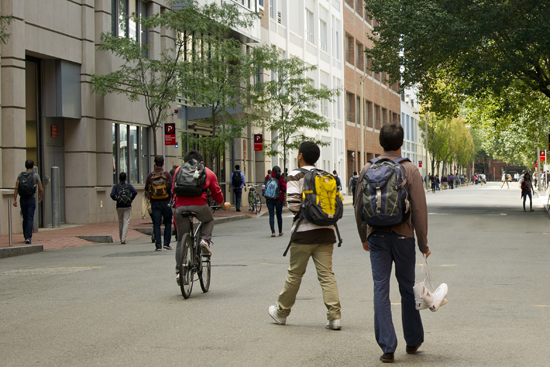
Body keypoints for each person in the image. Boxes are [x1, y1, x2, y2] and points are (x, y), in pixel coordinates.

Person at [354, 122, 430, 364]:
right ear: (402, 143)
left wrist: (364, 236)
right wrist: (423, 244)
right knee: (407, 288)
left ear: (380, 142)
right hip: (404, 236)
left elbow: (358, 207)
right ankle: (413, 340)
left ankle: (387, 347)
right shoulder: (409, 169)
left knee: (380, 288)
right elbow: (419, 210)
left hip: (376, 236)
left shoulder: (367, 168)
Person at [268, 141, 342, 330]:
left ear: (300, 155)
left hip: (303, 234)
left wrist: (306, 214)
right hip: (327, 232)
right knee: (327, 275)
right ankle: (334, 317)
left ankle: (282, 313)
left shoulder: (295, 174)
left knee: (295, 274)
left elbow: (293, 204)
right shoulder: (325, 176)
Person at [172, 150, 230, 279]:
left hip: (180, 207)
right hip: (199, 205)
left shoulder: (178, 171)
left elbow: (173, 190)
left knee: (181, 239)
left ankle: (179, 273)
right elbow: (216, 193)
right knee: (209, 220)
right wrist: (223, 205)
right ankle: (204, 240)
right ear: (201, 161)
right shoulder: (208, 172)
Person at [145, 155, 173, 251]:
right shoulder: (167, 175)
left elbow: (146, 189)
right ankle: (166, 243)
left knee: (156, 224)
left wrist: (151, 198)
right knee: (168, 222)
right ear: (163, 163)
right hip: (166, 202)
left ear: (154, 163)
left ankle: (158, 245)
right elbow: (171, 187)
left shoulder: (150, 176)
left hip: (155, 202)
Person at [13, 159, 43, 244]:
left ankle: (25, 235)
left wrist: (14, 199)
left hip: (22, 199)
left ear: (25, 166)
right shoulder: (35, 175)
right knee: (30, 218)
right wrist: (40, 196)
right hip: (31, 199)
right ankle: (28, 237)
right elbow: (40, 188)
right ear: (33, 166)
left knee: (25, 218)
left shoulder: (20, 175)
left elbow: (16, 187)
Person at [110, 172, 137, 244]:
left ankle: (120, 237)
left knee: (120, 221)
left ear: (118, 178)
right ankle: (123, 238)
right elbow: (135, 192)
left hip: (119, 205)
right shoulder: (129, 186)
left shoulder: (116, 186)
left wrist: (117, 199)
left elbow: (112, 194)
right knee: (126, 221)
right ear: (126, 178)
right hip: (127, 205)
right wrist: (131, 199)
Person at [265, 166, 287, 237]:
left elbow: (265, 185)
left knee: (271, 215)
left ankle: (273, 232)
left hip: (269, 198)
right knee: (279, 215)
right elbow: (284, 189)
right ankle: (280, 231)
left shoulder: (268, 176)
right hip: (279, 199)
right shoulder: (281, 178)